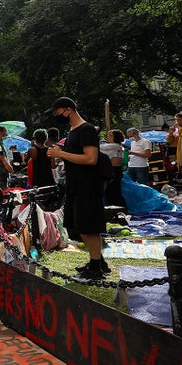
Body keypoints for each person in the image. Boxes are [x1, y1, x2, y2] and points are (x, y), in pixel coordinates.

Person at [46, 97, 108, 280]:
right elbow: (76, 156)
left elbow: (91, 159)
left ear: (68, 110)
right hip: (75, 184)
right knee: (79, 225)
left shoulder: (86, 129)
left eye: (57, 112)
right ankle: (97, 260)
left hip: (87, 185)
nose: (56, 116)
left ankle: (96, 267)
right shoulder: (72, 131)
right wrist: (60, 154)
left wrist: (61, 153)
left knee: (89, 226)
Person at [100, 130, 127, 209]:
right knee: (113, 192)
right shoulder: (118, 146)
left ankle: (118, 209)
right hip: (116, 170)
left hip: (113, 170)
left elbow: (98, 148)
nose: (108, 137)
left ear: (116, 137)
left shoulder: (114, 146)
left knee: (113, 192)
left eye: (110, 135)